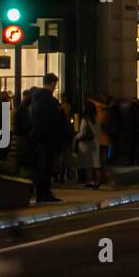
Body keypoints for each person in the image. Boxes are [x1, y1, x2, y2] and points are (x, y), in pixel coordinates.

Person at [28, 74, 69, 203]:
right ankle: (44, 193)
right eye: (55, 84)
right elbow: (55, 121)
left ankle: (41, 193)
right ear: (52, 84)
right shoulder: (50, 101)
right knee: (45, 167)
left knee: (40, 167)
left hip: (38, 138)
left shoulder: (34, 100)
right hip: (48, 139)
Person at [72, 103, 102, 188]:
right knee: (96, 164)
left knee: (88, 164)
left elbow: (82, 132)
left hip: (86, 144)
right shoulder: (97, 119)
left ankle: (90, 181)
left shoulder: (85, 120)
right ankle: (98, 181)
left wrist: (76, 137)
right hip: (95, 143)